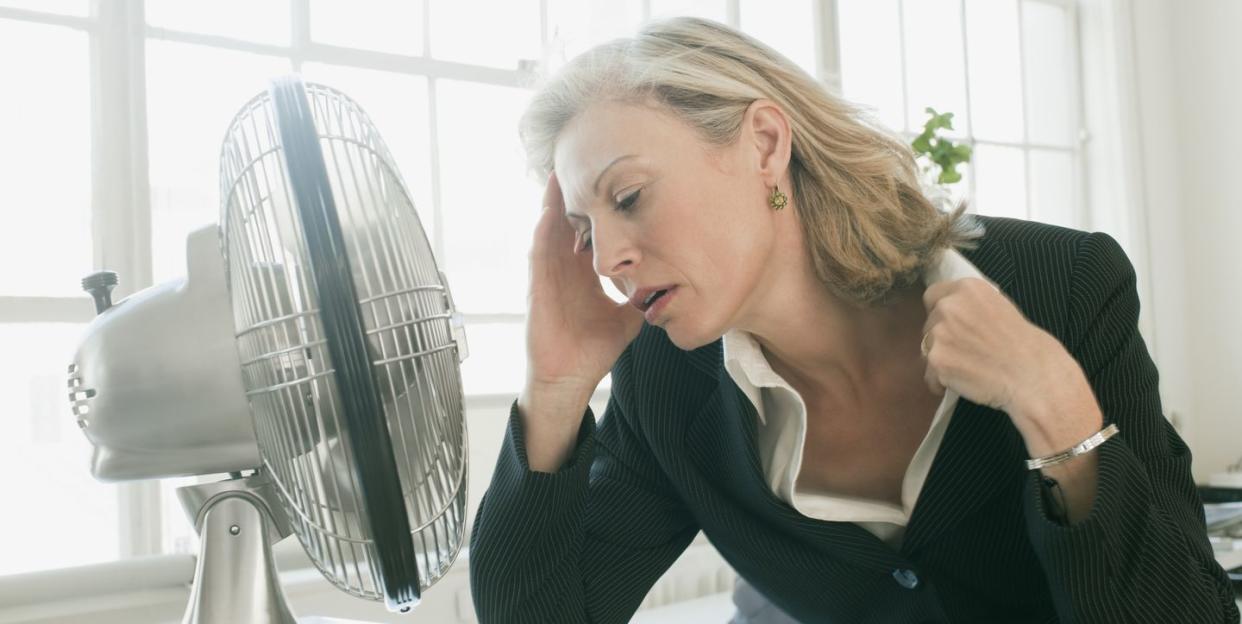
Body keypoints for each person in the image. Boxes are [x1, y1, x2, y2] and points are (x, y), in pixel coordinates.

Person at [468, 16, 1238, 623]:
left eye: (628, 197)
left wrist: (1055, 408)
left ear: (765, 144)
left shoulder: (1064, 285)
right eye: (585, 229)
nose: (605, 260)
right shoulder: (664, 382)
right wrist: (556, 388)